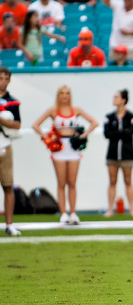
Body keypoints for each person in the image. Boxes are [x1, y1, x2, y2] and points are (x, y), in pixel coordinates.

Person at [31, 85, 99, 225]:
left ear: (70, 95)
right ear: (58, 95)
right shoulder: (53, 110)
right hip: (59, 149)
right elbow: (35, 125)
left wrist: (83, 135)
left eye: (67, 93)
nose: (64, 96)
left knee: (72, 183)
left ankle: (73, 212)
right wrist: (47, 137)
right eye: (62, 93)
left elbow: (94, 122)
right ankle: (63, 213)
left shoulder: (77, 110)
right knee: (61, 182)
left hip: (73, 149)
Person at [103, 89, 133, 217]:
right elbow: (107, 134)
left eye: (117, 97)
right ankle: (110, 210)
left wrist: (117, 133)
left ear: (123, 100)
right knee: (112, 181)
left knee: (128, 181)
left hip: (127, 154)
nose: (114, 99)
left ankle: (132, 209)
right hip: (112, 154)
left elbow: (130, 134)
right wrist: (122, 132)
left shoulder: (132, 117)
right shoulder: (109, 117)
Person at [0, 67, 21, 236]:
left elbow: (17, 125)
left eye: (5, 78)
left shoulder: (12, 102)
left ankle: (9, 224)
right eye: (0, 78)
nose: (2, 81)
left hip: (5, 145)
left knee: (8, 185)